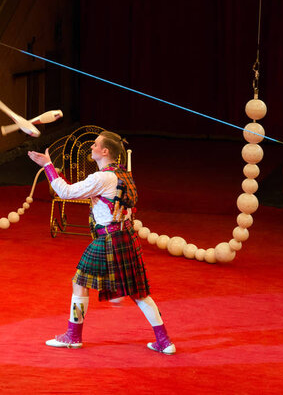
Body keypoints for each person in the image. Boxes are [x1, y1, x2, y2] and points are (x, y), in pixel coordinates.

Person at [27, 130, 176, 355]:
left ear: (105, 151)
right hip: (125, 236)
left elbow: (65, 192)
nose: (92, 148)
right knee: (139, 292)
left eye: (95, 145)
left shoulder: (101, 178)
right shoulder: (123, 173)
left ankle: (73, 336)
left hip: (109, 238)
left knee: (79, 281)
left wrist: (48, 165)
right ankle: (165, 341)